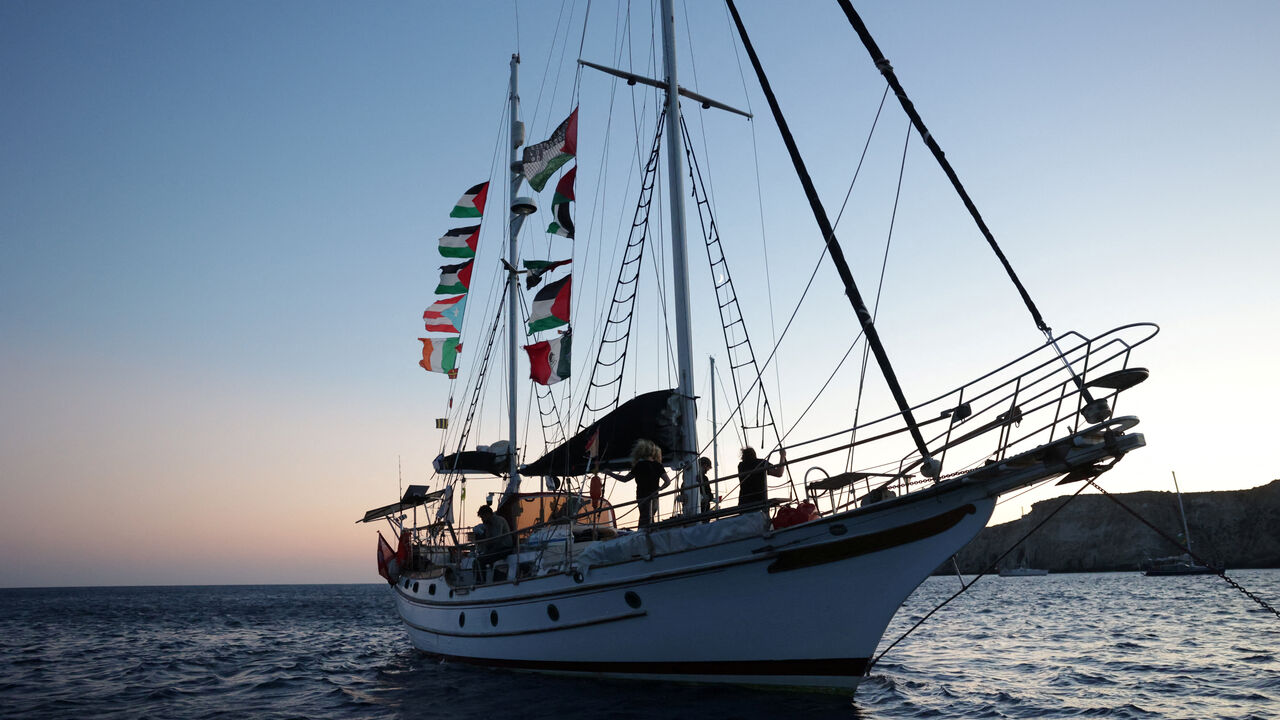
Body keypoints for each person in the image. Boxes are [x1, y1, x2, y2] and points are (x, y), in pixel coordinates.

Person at [618, 439, 670, 529]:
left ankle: (641, 535)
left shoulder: (639, 465)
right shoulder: (658, 465)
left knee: (644, 518)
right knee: (650, 518)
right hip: (654, 496)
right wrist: (659, 489)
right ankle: (651, 533)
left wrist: (609, 473)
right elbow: (667, 482)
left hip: (642, 496)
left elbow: (625, 479)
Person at [475, 505, 513, 581]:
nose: (482, 520)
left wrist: (485, 543)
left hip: (505, 548)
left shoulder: (498, 521)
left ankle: (480, 582)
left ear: (488, 514)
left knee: (480, 561)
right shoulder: (488, 523)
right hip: (497, 548)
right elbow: (490, 540)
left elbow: (496, 539)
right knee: (477, 560)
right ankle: (481, 580)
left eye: (482, 517)